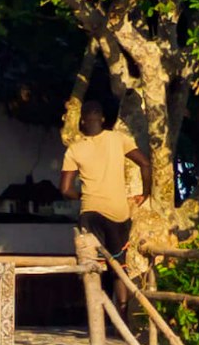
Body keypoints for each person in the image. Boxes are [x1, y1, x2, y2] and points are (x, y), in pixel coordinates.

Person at [58, 97, 143, 263]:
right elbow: (145, 164)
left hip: (90, 213)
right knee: (119, 267)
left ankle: (94, 288)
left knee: (90, 265)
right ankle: (120, 288)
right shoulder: (119, 139)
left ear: (82, 121)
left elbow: (65, 190)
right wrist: (145, 193)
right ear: (102, 119)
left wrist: (82, 196)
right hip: (118, 214)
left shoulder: (74, 150)